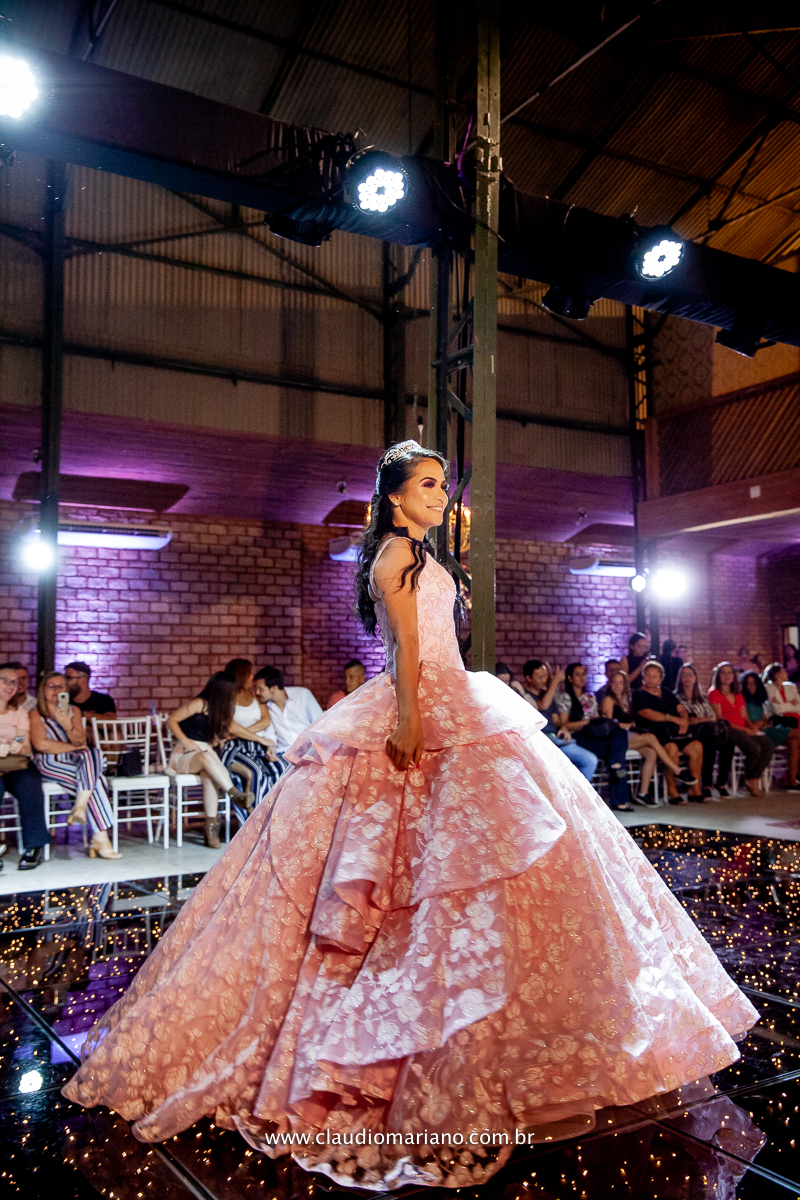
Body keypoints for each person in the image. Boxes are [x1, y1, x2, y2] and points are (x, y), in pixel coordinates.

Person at [63, 439, 757, 1191]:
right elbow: (405, 650)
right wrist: (410, 720)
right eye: (426, 485)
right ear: (394, 497)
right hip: (421, 704)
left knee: (495, 857)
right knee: (417, 865)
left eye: (441, 485)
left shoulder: (427, 556)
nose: (439, 495)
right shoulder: (396, 555)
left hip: (458, 695)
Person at [30, 672, 120, 860]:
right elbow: (41, 744)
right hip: (49, 762)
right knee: (97, 780)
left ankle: (80, 806)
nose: (56, 690)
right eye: (51, 686)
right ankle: (100, 837)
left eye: (61, 686)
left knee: (94, 752)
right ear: (43, 690)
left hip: (74, 760)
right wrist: (73, 747)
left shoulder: (74, 711)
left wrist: (66, 724)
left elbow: (81, 742)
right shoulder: (35, 713)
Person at [166, 672, 250, 849]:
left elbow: (217, 737)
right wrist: (187, 742)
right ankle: (235, 794)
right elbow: (172, 720)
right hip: (184, 754)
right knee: (206, 757)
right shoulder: (199, 703)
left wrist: (219, 739)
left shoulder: (222, 711)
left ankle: (211, 829)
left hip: (205, 754)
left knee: (209, 775)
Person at [600, 669, 697, 805]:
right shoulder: (608, 700)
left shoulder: (626, 700)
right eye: (615, 682)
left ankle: (642, 793)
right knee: (651, 737)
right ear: (610, 684)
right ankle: (677, 770)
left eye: (621, 683)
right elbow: (608, 724)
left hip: (628, 736)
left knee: (651, 752)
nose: (618, 686)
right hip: (615, 738)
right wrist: (627, 725)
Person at [555, 662, 634, 811]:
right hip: (580, 737)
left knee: (621, 734)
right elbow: (564, 725)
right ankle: (619, 797)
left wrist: (596, 720)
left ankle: (615, 766)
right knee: (617, 753)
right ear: (570, 678)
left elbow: (598, 720)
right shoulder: (565, 697)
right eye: (577, 674)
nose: (582, 677)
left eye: (583, 674)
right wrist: (587, 721)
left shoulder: (590, 697)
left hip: (596, 734)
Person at [218, 657, 286, 820]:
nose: (252, 676)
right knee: (257, 773)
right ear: (241, 676)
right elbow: (231, 726)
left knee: (280, 768)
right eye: (249, 673)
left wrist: (242, 732)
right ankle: (255, 820)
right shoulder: (226, 698)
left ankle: (279, 815)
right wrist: (259, 739)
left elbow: (265, 721)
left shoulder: (255, 696)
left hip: (256, 748)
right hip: (235, 748)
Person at [0, 663, 50, 870]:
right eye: (5, 681)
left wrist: (17, 743)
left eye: (14, 682)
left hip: (16, 763)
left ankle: (34, 847)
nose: (11, 686)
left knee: (30, 786)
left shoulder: (19, 711)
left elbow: (22, 735)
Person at [632, 661, 704, 804]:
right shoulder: (638, 694)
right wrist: (672, 718)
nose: (651, 679)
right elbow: (646, 713)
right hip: (656, 733)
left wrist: (683, 721)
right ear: (643, 677)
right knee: (672, 748)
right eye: (648, 675)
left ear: (660, 679)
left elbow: (681, 708)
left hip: (675, 732)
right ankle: (672, 790)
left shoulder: (665, 691)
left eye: (655, 676)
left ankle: (695, 788)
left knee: (697, 746)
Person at [522, 660, 599, 782]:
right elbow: (542, 705)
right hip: (538, 741)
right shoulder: (522, 695)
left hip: (555, 740)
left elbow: (557, 721)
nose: (544, 680)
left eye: (545, 676)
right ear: (528, 678)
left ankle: (575, 794)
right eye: (540, 677)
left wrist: (563, 728)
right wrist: (555, 681)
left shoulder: (546, 694)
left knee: (590, 760)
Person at [708, 662, 774, 797]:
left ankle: (753, 778)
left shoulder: (737, 694)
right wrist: (744, 730)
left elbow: (744, 716)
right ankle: (750, 780)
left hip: (743, 727)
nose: (727, 676)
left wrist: (752, 726)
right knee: (754, 748)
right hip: (728, 729)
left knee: (768, 744)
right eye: (723, 673)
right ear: (718, 675)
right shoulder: (714, 693)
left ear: (733, 675)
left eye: (729, 673)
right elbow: (720, 718)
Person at [674, 663, 729, 799]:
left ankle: (721, 782)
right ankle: (705, 785)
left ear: (695, 678)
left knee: (728, 742)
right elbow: (681, 719)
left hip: (706, 729)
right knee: (708, 744)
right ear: (680, 678)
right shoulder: (675, 697)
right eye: (684, 675)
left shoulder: (702, 696)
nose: (687, 678)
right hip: (689, 733)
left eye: (690, 675)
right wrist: (695, 720)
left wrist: (700, 719)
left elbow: (713, 717)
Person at [742, 670, 799, 792]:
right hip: (755, 732)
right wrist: (758, 724)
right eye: (748, 683)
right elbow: (747, 721)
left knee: (794, 743)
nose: (751, 686)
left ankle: (793, 781)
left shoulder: (758, 701)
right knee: (797, 733)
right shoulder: (743, 701)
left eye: (754, 683)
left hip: (766, 729)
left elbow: (766, 720)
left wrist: (761, 723)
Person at [253, 666, 322, 755]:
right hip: (284, 753)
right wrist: (270, 749)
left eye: (261, 689)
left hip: (311, 750)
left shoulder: (302, 695)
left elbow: (320, 723)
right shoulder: (266, 706)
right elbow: (270, 734)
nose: (257, 692)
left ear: (274, 687)